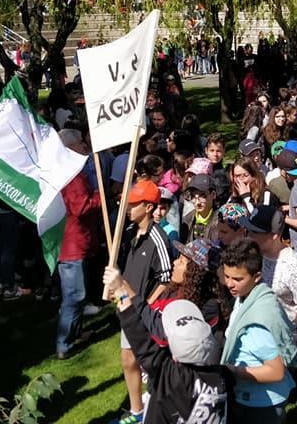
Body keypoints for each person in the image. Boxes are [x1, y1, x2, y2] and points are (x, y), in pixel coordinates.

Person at [104, 267, 228, 424]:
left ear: (174, 355)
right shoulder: (223, 378)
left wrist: (119, 293)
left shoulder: (169, 377)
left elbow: (136, 332)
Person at [220, 239, 296, 424]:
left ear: (256, 276)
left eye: (237, 279)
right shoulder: (246, 296)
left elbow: (276, 372)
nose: (229, 284)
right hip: (250, 398)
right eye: (227, 276)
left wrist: (233, 371)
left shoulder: (258, 323)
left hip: (262, 406)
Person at [118, 178, 173, 424]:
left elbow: (166, 278)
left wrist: (147, 304)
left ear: (149, 207)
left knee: (147, 361)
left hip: (145, 311)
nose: (128, 208)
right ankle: (137, 410)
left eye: (133, 204)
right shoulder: (130, 233)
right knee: (127, 358)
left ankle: (157, 407)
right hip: (127, 306)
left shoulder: (158, 238)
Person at [55, 129, 101, 360]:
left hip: (74, 240)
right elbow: (80, 207)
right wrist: (100, 197)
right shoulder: (71, 175)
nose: (85, 146)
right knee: (74, 295)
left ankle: (76, 333)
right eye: (81, 142)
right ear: (70, 147)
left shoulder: (68, 171)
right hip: (72, 244)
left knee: (77, 293)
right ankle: (64, 344)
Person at [243, 205, 297, 340]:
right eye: (248, 231)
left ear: (274, 235)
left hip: (280, 342)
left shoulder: (293, 265)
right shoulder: (251, 254)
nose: (249, 236)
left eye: (255, 233)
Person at [182, 173, 219, 243]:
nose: (197, 202)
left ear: (213, 194)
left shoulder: (221, 221)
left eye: (203, 196)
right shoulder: (187, 220)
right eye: (193, 197)